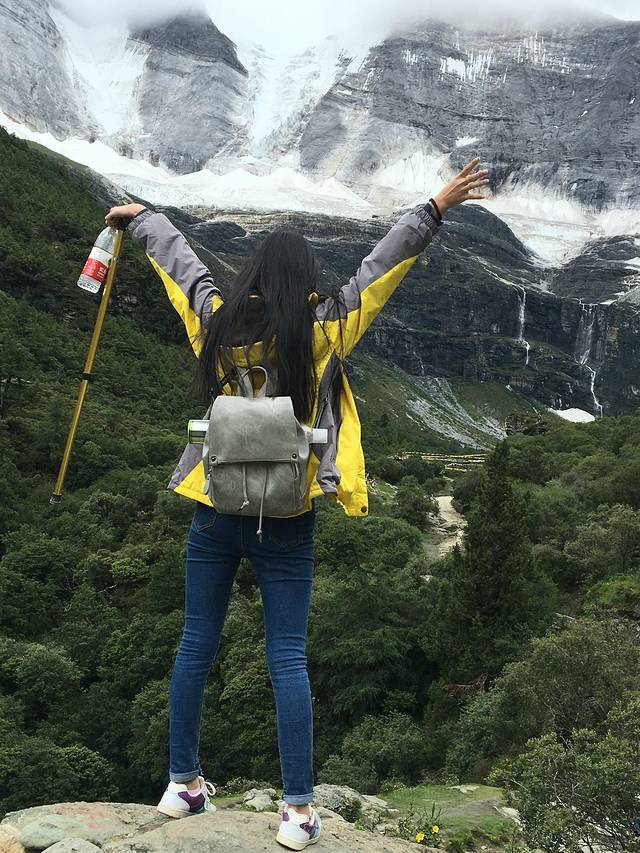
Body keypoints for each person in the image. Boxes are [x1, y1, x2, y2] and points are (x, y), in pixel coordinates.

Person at [106, 156, 490, 850]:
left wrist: (144, 220)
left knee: (195, 643)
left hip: (215, 505)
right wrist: (435, 205)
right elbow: (383, 265)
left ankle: (182, 783)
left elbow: (183, 269)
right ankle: (298, 811)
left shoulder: (215, 323)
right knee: (286, 656)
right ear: (306, 279)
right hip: (288, 513)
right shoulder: (325, 328)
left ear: (253, 273)